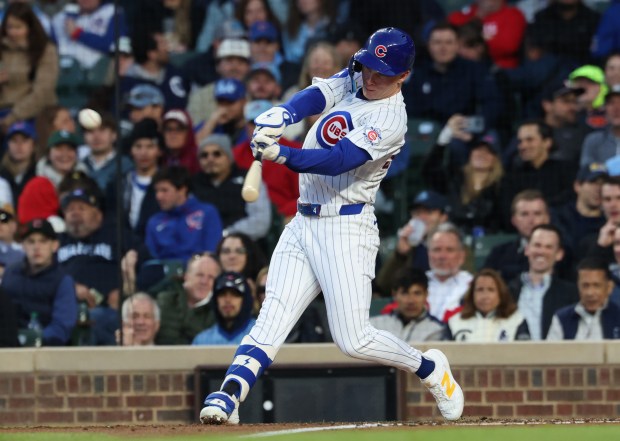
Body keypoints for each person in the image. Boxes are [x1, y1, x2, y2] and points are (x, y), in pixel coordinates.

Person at [199, 27, 464, 425]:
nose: (370, 78)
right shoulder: (362, 74)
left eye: (382, 73)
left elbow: (338, 159)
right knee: (272, 314)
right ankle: (230, 394)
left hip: (346, 228)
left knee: (353, 340)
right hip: (304, 221)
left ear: (403, 76)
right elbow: (322, 93)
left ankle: (429, 369)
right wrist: (284, 114)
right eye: (368, 67)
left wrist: (280, 153)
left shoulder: (391, 118)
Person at [1, 218, 77, 346]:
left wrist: (33, 339)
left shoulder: (63, 279)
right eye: (31, 242)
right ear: (23, 246)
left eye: (43, 241)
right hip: (8, 345)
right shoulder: (11, 273)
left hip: (48, 350)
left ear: (54, 245)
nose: (37, 247)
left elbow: (62, 326)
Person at [192, 134, 271, 240]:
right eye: (204, 155)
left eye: (217, 154)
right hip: (202, 244)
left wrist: (227, 234)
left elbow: (260, 221)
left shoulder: (250, 179)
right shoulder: (192, 184)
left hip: (242, 245)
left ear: (229, 157)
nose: (210, 159)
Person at [508, 224, 579, 340]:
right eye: (537, 245)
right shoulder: (507, 291)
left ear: (559, 254)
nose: (541, 251)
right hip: (512, 355)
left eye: (548, 247)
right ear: (527, 249)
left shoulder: (571, 294)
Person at [0, 2, 59, 132]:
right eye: (9, 27)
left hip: (33, 114)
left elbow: (42, 91)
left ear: (30, 27)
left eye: (18, 27)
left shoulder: (45, 50)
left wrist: (12, 118)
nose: (13, 32)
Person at [376, 190, 449, 294]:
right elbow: (384, 285)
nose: (422, 217)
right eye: (417, 213)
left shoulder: (456, 246)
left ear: (443, 217)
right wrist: (400, 255)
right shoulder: (406, 246)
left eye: (429, 212)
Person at [484, 190, 550, 282]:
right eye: (524, 214)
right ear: (514, 220)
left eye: (537, 214)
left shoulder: (563, 254)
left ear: (547, 218)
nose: (531, 220)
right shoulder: (498, 254)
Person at [447, 268, 530, 342]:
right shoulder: (455, 322)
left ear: (500, 293)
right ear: (472, 294)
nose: (485, 296)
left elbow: (525, 355)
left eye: (491, 290)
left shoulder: (517, 320)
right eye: (480, 290)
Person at [547, 257, 620, 340]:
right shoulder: (562, 318)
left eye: (596, 286)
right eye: (585, 285)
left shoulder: (617, 315)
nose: (590, 293)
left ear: (609, 287)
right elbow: (551, 351)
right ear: (578, 286)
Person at [156, 253, 221, 345]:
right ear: (186, 276)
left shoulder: (218, 311)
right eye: (199, 275)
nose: (204, 281)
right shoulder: (164, 301)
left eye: (211, 277)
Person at [370, 270, 445, 342]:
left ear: (426, 294)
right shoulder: (374, 325)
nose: (411, 301)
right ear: (394, 295)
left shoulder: (437, 330)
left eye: (417, 293)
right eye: (404, 293)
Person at [192, 271, 256, 345]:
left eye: (235, 294)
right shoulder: (202, 341)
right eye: (222, 294)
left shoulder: (261, 336)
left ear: (245, 300)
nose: (228, 300)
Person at [580, 87, 620, 167]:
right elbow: (587, 167)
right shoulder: (594, 140)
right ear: (604, 109)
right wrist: (608, 168)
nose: (616, 108)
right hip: (602, 179)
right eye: (611, 103)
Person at [0, 121, 37, 207]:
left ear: (33, 145)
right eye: (14, 140)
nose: (19, 145)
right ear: (8, 144)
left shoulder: (41, 172)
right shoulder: (1, 174)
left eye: (24, 140)